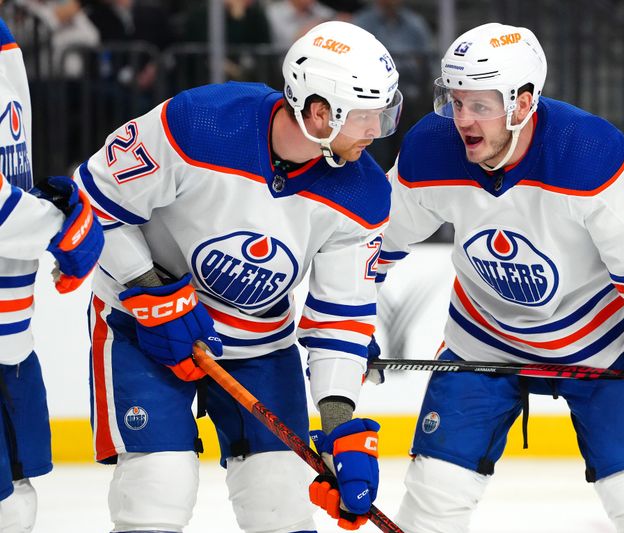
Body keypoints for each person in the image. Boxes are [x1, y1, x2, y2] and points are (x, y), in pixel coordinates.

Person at [376, 22, 624, 533]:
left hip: (602, 345)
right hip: (484, 340)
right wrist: (349, 325)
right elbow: (375, 243)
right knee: (434, 493)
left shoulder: (589, 155)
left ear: (522, 102)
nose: (461, 120)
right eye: (454, 101)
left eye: (480, 105)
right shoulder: (431, 148)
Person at [74, 20, 402, 533]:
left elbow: (341, 317)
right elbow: (92, 201)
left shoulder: (362, 193)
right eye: (366, 115)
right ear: (319, 112)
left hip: (260, 345)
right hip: (141, 329)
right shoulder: (199, 123)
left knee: (278, 502)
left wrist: (340, 425)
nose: (377, 130)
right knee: (157, 488)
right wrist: (151, 288)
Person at [0, 10, 103, 531]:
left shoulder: (6, 47)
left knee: (16, 500)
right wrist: (62, 225)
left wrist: (50, 209)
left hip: (10, 336)